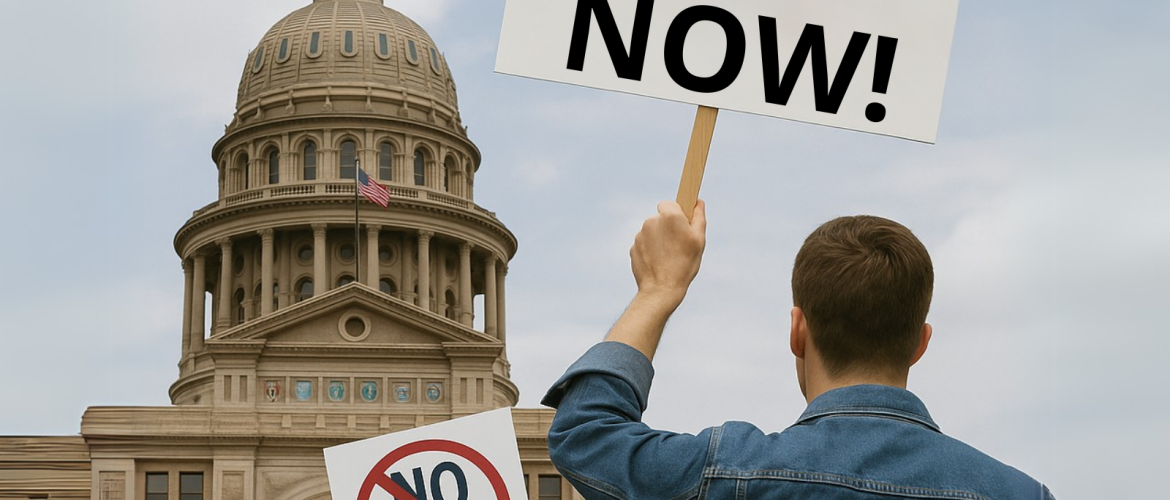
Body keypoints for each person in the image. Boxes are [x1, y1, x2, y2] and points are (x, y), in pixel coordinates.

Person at [541, 200, 1054, 500]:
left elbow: (586, 434)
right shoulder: (1022, 495)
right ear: (920, 343)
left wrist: (657, 289)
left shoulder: (730, 473)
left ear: (798, 333)